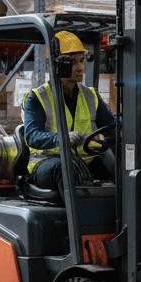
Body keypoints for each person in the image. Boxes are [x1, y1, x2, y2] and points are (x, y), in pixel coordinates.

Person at [22, 30, 117, 191]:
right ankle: (78, 208)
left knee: (119, 164)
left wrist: (102, 138)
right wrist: (61, 137)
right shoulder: (37, 98)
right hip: (46, 161)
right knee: (66, 168)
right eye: (73, 62)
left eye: (81, 60)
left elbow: (112, 128)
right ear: (58, 64)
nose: (80, 68)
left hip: (83, 160)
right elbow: (32, 136)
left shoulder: (90, 95)